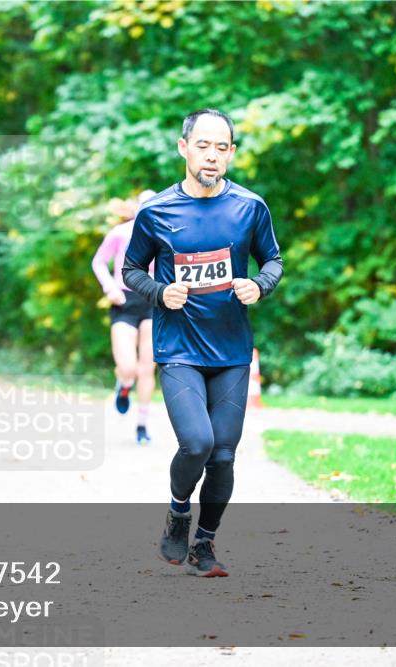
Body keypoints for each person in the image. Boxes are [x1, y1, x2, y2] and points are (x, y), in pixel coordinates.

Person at [122, 109, 283, 577]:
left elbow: (272, 259)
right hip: (179, 348)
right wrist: (159, 291)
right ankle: (177, 515)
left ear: (231, 152)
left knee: (225, 454)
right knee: (197, 443)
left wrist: (260, 285)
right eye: (203, 146)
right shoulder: (156, 211)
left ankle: (205, 546)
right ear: (184, 147)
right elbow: (132, 270)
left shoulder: (250, 207)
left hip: (232, 349)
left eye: (221, 147)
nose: (212, 156)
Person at [92, 189, 157, 445]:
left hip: (153, 300)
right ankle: (124, 384)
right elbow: (98, 262)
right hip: (125, 300)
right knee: (128, 366)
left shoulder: (166, 236)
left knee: (147, 367)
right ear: (136, 208)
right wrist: (110, 287)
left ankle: (142, 426)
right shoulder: (121, 233)